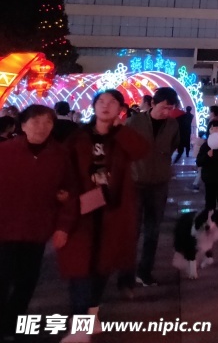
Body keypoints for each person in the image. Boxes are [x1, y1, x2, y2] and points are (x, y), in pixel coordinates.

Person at [60, 90, 149, 337]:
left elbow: (141, 150)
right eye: (101, 102)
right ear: (94, 106)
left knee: (103, 265)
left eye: (112, 103)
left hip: (113, 209)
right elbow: (65, 166)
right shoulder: (79, 137)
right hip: (82, 209)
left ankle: (92, 312)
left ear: (120, 108)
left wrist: (120, 130)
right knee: (81, 267)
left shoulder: (122, 137)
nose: (105, 106)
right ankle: (80, 327)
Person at [0, 106, 75, 341]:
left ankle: (11, 325)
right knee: (1, 280)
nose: (41, 127)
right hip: (4, 229)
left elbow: (69, 192)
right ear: (22, 125)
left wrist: (63, 226)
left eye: (47, 122)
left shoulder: (60, 155)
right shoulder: (4, 151)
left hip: (37, 230)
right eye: (35, 122)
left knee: (27, 281)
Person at [118, 85, 179, 292]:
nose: (167, 112)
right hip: (136, 182)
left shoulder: (172, 125)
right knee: (131, 230)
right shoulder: (135, 121)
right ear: (152, 103)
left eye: (170, 109)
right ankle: (125, 275)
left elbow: (172, 147)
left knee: (153, 231)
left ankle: (144, 272)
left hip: (159, 184)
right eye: (163, 107)